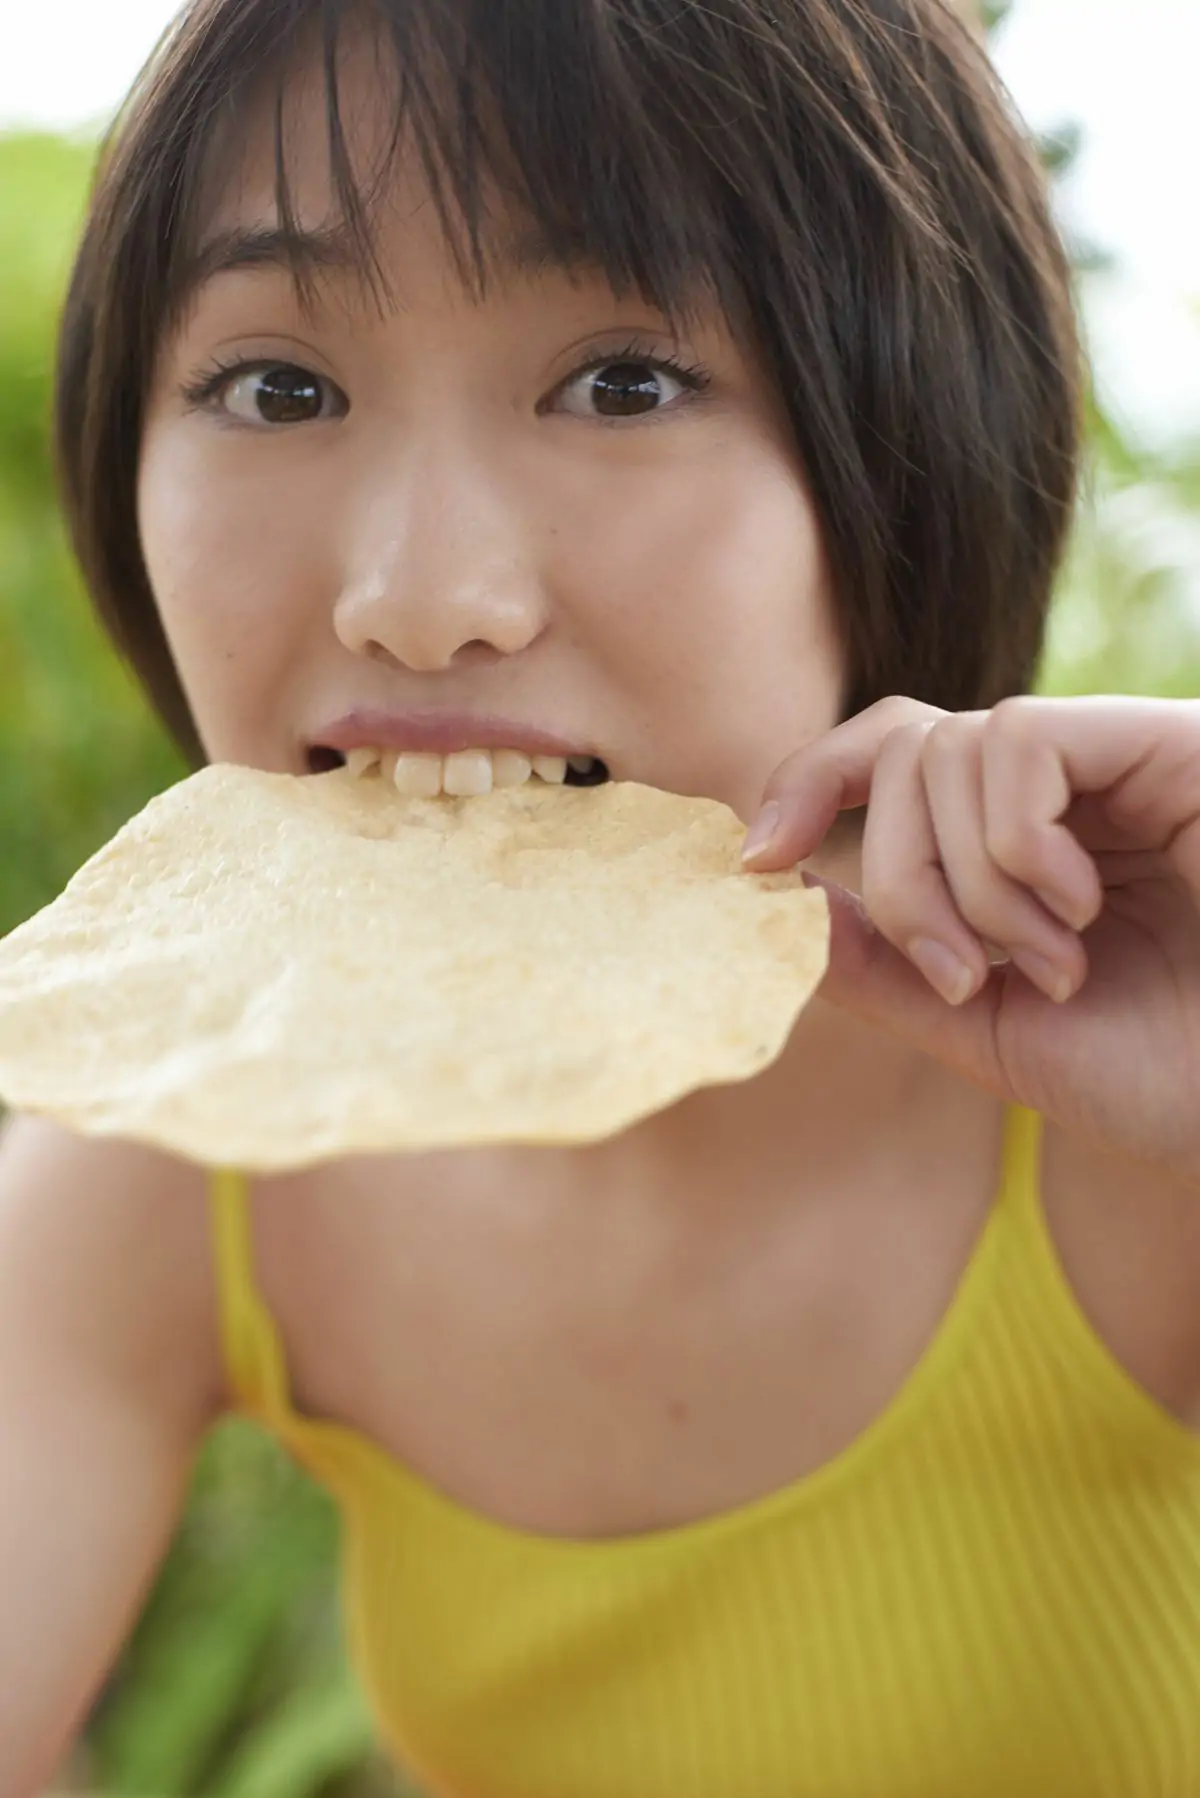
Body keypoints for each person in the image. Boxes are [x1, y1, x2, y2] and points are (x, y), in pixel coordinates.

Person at [3, 0, 1199, 1791]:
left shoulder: (1143, 1121)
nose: (417, 596)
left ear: (915, 448)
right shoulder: (172, 1170)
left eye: (623, 382)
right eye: (278, 386)